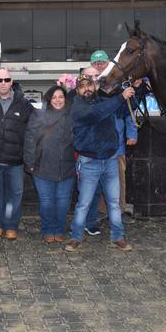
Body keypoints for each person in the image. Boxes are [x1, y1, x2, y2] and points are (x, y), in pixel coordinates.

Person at [63, 73, 136, 252]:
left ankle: (118, 237)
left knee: (113, 202)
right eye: (82, 86)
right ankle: (75, 237)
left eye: (89, 85)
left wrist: (135, 90)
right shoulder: (77, 107)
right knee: (84, 203)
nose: (86, 89)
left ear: (95, 85)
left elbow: (127, 108)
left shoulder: (105, 100)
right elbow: (96, 114)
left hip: (110, 159)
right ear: (77, 90)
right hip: (89, 162)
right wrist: (120, 97)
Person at [0, 67, 33, 240]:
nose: (3, 83)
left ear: (12, 81)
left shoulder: (24, 104)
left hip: (16, 162)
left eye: (6, 80)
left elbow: (31, 132)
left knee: (15, 195)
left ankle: (11, 225)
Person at [24, 85, 76, 244]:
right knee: (46, 202)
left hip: (66, 167)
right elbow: (30, 139)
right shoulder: (39, 114)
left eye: (61, 97)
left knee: (62, 202)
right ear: (49, 99)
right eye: (54, 97)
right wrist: (30, 162)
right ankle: (47, 229)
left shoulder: (71, 115)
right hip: (42, 167)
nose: (58, 100)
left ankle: (59, 229)